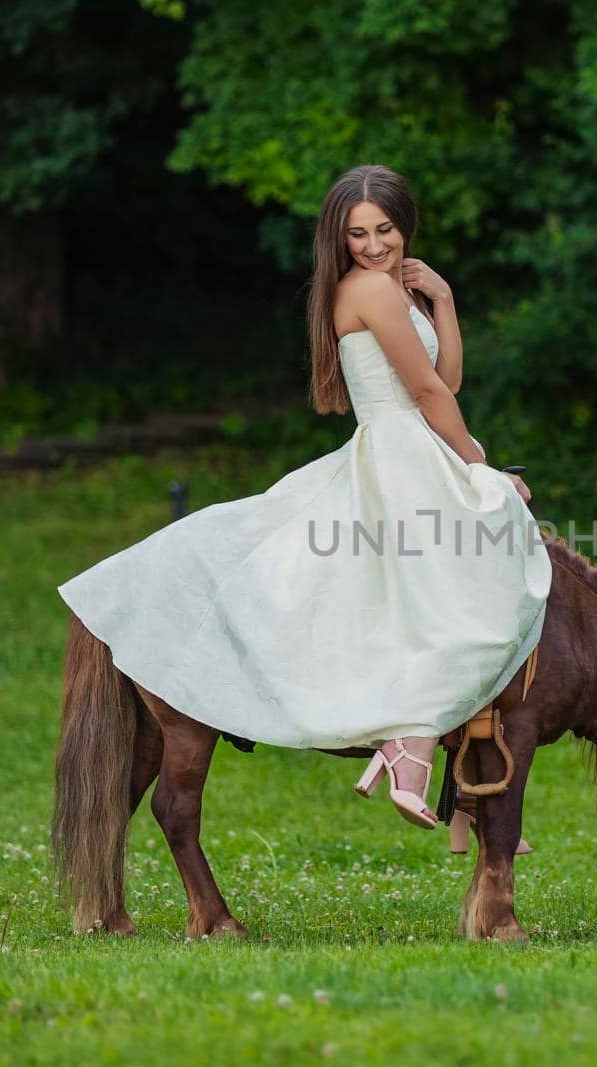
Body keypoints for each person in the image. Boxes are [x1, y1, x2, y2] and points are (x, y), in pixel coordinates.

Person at [56, 164, 551, 831]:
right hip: (402, 453)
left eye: (384, 229)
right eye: (357, 234)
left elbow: (447, 380)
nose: (374, 245)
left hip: (419, 447)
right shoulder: (369, 289)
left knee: (461, 590)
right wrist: (484, 468)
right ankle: (414, 740)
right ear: (339, 241)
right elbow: (429, 397)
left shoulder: (396, 290)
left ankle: (437, 750)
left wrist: (444, 302)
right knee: (471, 582)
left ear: (406, 224)